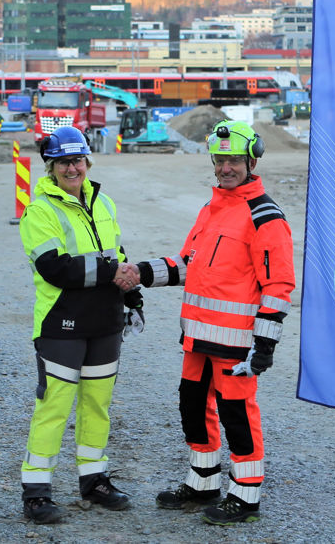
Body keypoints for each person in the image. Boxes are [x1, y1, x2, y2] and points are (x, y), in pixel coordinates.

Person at [132, 119, 296, 525]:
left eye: (234, 160)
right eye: (220, 160)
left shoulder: (265, 216)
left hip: (235, 343)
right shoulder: (212, 208)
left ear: (251, 160)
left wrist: (266, 345)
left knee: (236, 414)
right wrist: (137, 272)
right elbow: (188, 265)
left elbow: (278, 284)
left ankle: (245, 495)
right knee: (192, 407)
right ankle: (202, 481)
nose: (225, 167)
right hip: (198, 338)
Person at [16, 126, 144, 524]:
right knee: (53, 408)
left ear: (88, 162)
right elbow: (57, 268)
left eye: (77, 160)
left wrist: (132, 295)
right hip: (61, 324)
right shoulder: (39, 211)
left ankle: (95, 481)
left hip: (105, 322)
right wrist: (113, 272)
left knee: (97, 406)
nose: (72, 168)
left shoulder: (103, 202)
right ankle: (36, 493)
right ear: (51, 168)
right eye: (63, 162)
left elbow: (117, 253)